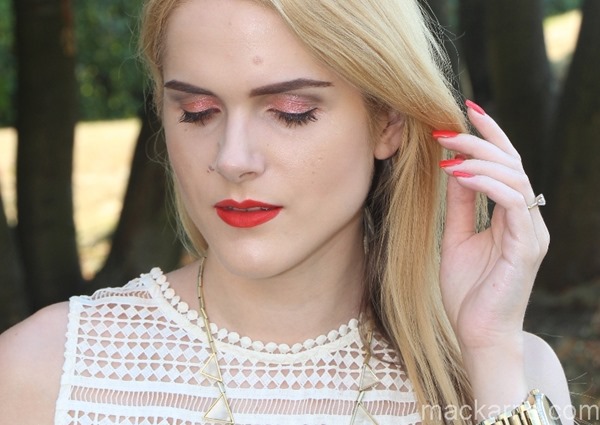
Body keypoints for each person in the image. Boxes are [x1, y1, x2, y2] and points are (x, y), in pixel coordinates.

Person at [0, 0, 572, 424]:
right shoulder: (41, 372)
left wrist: (489, 351)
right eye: (196, 111)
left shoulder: (513, 370)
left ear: (388, 122)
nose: (232, 159)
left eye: (291, 111)